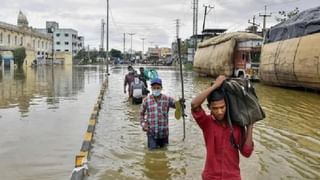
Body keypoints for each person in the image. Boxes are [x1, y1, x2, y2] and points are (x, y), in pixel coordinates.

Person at [191, 75, 254, 180]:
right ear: (209, 108)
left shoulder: (237, 126)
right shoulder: (207, 123)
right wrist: (215, 86)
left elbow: (246, 153)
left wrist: (250, 126)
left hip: (232, 177)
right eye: (215, 108)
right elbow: (194, 105)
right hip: (211, 176)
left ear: (227, 106)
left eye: (222, 107)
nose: (219, 112)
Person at [139, 77, 176, 150]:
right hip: (151, 132)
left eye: (158, 87)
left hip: (164, 133)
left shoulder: (167, 99)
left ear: (161, 88)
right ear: (151, 88)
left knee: (164, 152)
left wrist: (181, 104)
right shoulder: (146, 100)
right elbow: (141, 114)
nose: (156, 89)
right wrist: (143, 125)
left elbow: (177, 106)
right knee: (152, 154)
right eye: (154, 88)